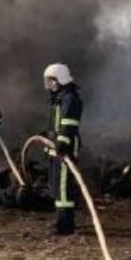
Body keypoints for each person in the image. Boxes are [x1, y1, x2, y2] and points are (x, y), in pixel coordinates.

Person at [43, 63, 83, 235]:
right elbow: (58, 125)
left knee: (64, 187)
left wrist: (62, 143)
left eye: (52, 80)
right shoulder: (59, 98)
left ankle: (66, 225)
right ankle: (61, 220)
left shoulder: (70, 98)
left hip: (64, 149)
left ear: (60, 79)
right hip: (56, 149)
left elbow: (69, 125)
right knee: (57, 186)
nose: (49, 84)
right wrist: (47, 135)